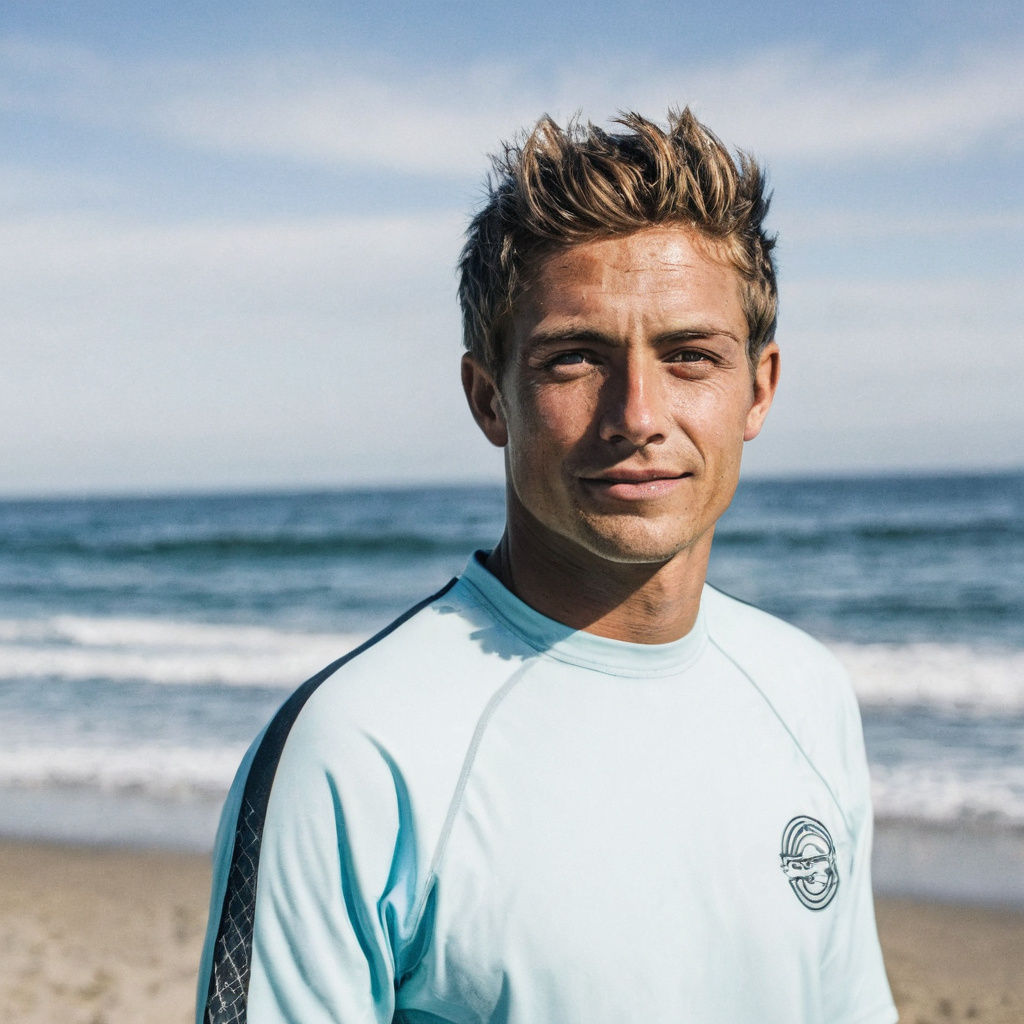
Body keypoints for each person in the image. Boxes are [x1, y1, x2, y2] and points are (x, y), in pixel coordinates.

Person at [196, 109, 897, 1024]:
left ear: (757, 389)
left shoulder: (807, 692)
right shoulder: (354, 752)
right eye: (574, 360)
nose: (637, 415)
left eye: (690, 356)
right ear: (490, 398)